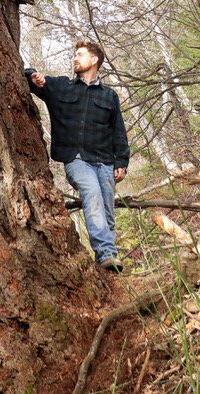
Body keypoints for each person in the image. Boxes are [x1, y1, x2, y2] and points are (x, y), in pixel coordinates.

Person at [25, 40, 130, 273]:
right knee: (91, 194)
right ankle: (105, 253)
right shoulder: (62, 87)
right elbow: (28, 78)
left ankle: (108, 260)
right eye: (74, 54)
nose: (75, 58)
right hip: (77, 159)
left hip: (105, 161)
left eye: (80, 55)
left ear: (94, 60)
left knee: (107, 209)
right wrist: (33, 75)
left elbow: (118, 132)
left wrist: (121, 161)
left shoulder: (109, 96)